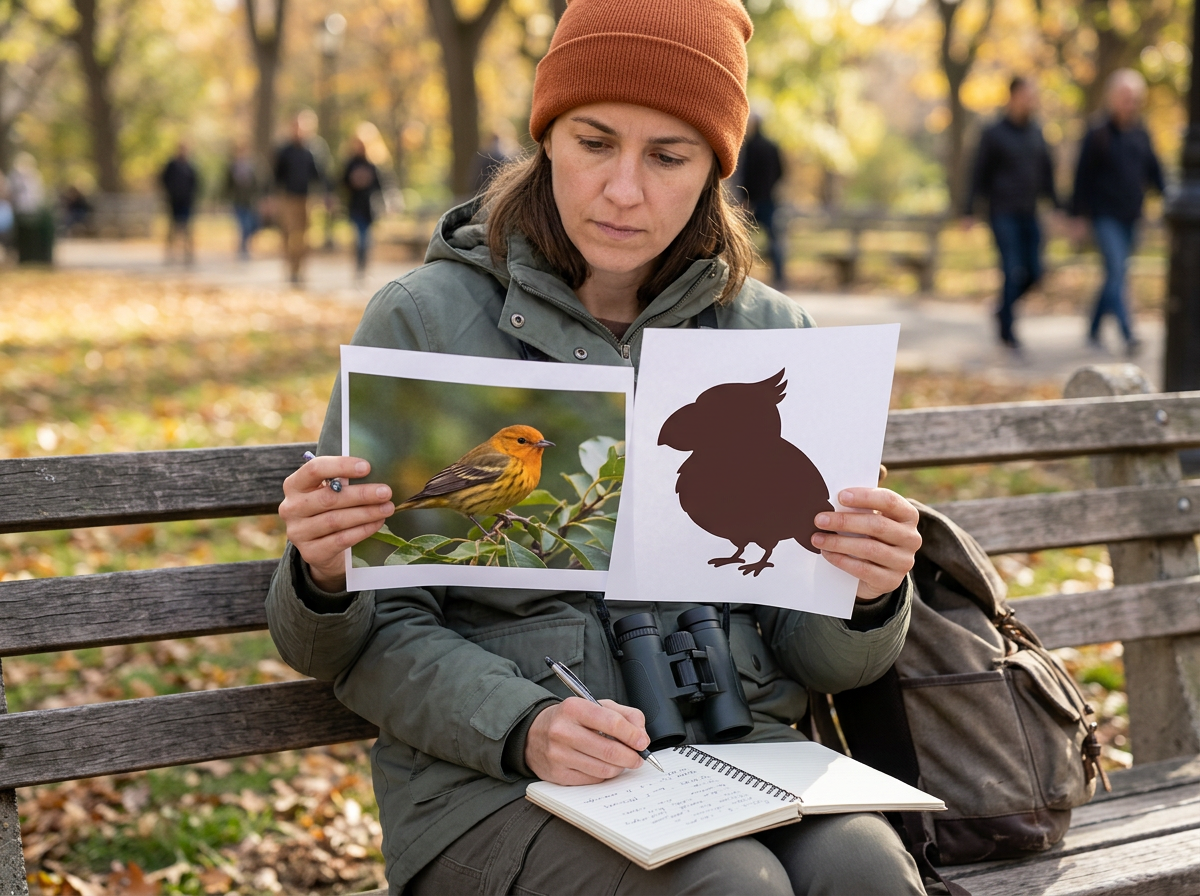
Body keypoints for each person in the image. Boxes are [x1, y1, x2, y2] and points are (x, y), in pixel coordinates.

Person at [266, 1, 926, 893]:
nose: (624, 189)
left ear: (714, 169)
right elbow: (353, 638)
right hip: (493, 785)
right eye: (593, 142)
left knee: (868, 870)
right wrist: (519, 720)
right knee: (732, 888)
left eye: (668, 156)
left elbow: (819, 658)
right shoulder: (423, 319)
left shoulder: (773, 333)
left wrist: (867, 593)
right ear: (545, 139)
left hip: (744, 754)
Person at [1070, 68, 1165, 355]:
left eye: (1135, 98)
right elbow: (1081, 177)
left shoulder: (1141, 133)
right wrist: (1077, 216)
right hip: (1104, 215)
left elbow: (1155, 172)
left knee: (1114, 273)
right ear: (1112, 98)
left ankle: (1093, 327)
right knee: (1117, 271)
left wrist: (1168, 199)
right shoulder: (1098, 133)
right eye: (1125, 97)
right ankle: (1128, 333)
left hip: (1131, 216)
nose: (1130, 103)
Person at [963, 76, 1060, 352]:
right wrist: (969, 211)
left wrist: (1057, 206)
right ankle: (1008, 333)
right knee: (1011, 269)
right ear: (1013, 96)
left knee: (1035, 272)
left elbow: (1047, 173)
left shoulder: (1037, 132)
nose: (1032, 101)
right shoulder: (993, 132)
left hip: (1029, 212)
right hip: (1002, 211)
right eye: (1028, 95)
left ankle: (1002, 308)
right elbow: (977, 173)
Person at [733, 111, 786, 289]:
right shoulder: (773, 146)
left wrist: (746, 198)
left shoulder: (749, 147)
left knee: (740, 239)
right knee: (774, 239)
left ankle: (737, 273)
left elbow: (746, 175)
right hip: (769, 199)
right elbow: (781, 172)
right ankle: (779, 276)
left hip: (752, 201)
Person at [273, 116, 323, 284]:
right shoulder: (284, 150)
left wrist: (326, 194)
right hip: (288, 197)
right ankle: (290, 267)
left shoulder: (313, 150)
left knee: (305, 235)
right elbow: (276, 175)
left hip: (307, 197)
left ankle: (301, 269)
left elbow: (320, 175)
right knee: (288, 233)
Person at [341, 136, 382, 277]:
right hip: (355, 206)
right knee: (359, 238)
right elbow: (342, 182)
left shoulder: (373, 164)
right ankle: (359, 266)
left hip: (369, 207)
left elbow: (380, 185)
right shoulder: (350, 163)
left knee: (366, 239)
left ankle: (364, 265)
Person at [160, 143, 200, 264]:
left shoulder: (190, 166)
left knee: (187, 228)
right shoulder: (171, 165)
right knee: (172, 228)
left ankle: (188, 254)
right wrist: (170, 192)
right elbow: (163, 180)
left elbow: (196, 183)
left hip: (186, 201)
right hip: (174, 201)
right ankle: (170, 253)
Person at [224, 143, 260, 259]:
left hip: (250, 202)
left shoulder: (252, 167)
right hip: (238, 202)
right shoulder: (232, 168)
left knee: (251, 226)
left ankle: (243, 246)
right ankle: (243, 249)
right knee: (243, 225)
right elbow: (227, 186)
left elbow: (259, 184)